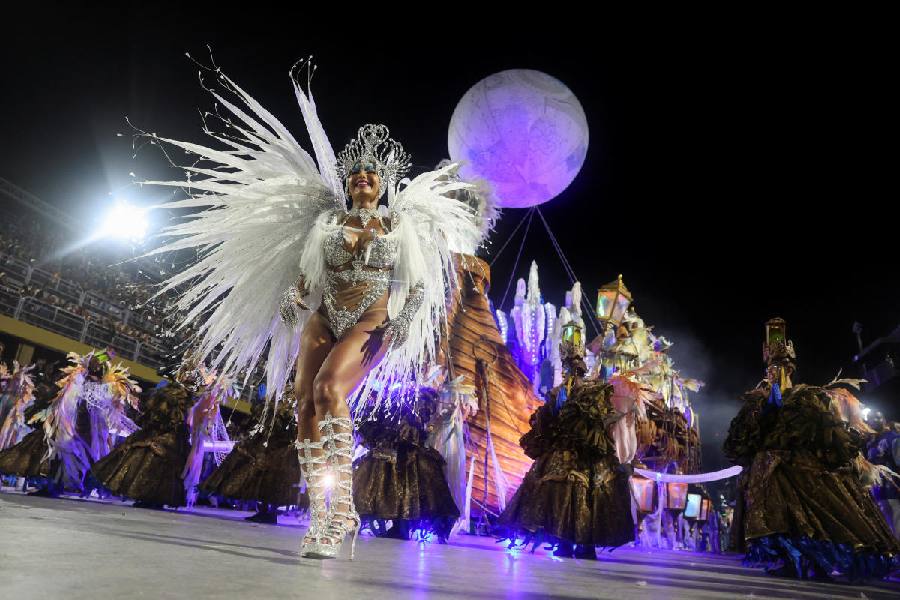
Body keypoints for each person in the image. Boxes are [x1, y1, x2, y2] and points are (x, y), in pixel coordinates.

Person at [143, 58, 483, 560]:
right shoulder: (325, 227)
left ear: (383, 184)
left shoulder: (399, 227)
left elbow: (412, 286)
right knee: (304, 405)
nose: (364, 179)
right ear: (348, 183)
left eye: (372, 173)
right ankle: (321, 512)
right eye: (358, 174)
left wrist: (403, 322)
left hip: (372, 319)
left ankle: (343, 507)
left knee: (329, 390)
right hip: (325, 316)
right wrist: (292, 300)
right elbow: (308, 279)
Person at [724, 319, 898, 581]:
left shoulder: (809, 397)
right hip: (771, 471)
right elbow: (744, 439)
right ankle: (792, 561)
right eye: (772, 368)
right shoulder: (758, 401)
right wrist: (765, 409)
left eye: (781, 368)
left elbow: (825, 435)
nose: (775, 372)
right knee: (779, 517)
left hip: (803, 469)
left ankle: (816, 563)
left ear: (791, 369)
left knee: (816, 518)